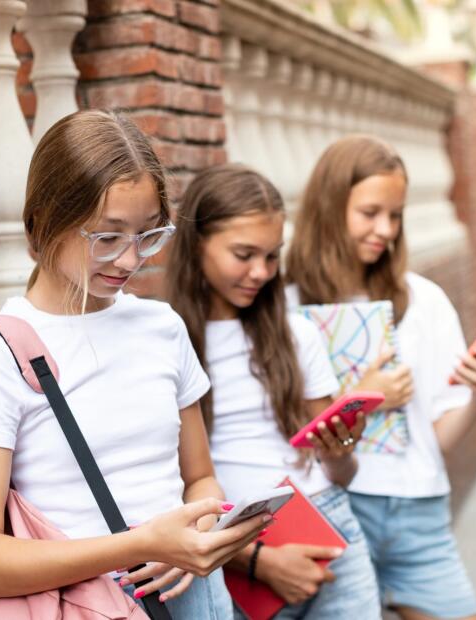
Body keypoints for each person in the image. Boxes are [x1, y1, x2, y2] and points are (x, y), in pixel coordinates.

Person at [0, 110, 267, 619]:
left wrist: (201, 532)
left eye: (147, 235)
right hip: (87, 602)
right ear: (42, 223)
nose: (130, 260)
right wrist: (144, 546)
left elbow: (199, 476)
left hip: (197, 595)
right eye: (107, 237)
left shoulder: (163, 327)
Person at [285, 136, 476, 620]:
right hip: (331, 511)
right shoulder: (285, 305)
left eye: (396, 215)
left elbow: (440, 438)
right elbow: (283, 434)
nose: (385, 228)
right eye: (370, 212)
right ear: (329, 207)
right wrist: (362, 397)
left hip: (418, 513)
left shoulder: (424, 301)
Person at [167, 163, 381, 618]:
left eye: (272, 256)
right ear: (196, 245)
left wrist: (341, 450)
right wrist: (259, 561)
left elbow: (340, 474)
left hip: (326, 524)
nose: (261, 272)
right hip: (235, 550)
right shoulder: (167, 342)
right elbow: (168, 488)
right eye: (244, 254)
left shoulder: (295, 335)